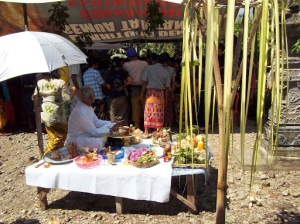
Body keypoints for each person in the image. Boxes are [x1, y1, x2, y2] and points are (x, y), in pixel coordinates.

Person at [66, 86, 119, 152]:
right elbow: (94, 132)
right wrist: (111, 130)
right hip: (77, 140)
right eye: (92, 95)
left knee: (105, 130)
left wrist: (112, 123)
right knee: (98, 142)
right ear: (89, 98)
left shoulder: (87, 107)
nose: (94, 98)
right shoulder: (80, 111)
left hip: (87, 136)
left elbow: (96, 122)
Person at [33, 71, 71, 155]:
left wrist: (36, 108)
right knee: (59, 137)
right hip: (58, 115)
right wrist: (73, 92)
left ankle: (55, 157)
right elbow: (67, 99)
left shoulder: (40, 83)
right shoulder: (60, 82)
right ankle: (46, 156)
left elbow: (35, 97)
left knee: (53, 138)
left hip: (46, 114)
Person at [141, 53, 171, 138]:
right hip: (160, 94)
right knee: (159, 113)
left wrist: (142, 93)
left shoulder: (149, 68)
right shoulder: (166, 72)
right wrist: (165, 98)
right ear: (165, 62)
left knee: (148, 112)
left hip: (150, 93)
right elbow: (167, 87)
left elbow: (144, 81)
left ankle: (146, 132)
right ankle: (158, 132)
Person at [123, 47, 149, 129]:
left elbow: (125, 76)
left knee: (135, 108)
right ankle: (147, 126)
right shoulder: (145, 63)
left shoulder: (126, 65)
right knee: (145, 107)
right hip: (144, 87)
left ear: (128, 56)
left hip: (133, 88)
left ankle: (137, 127)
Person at [106, 57, 133, 126]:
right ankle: (124, 132)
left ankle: (115, 132)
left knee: (113, 115)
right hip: (122, 96)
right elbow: (130, 81)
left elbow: (108, 87)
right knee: (123, 115)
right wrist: (123, 86)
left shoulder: (109, 74)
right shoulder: (123, 73)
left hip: (113, 97)